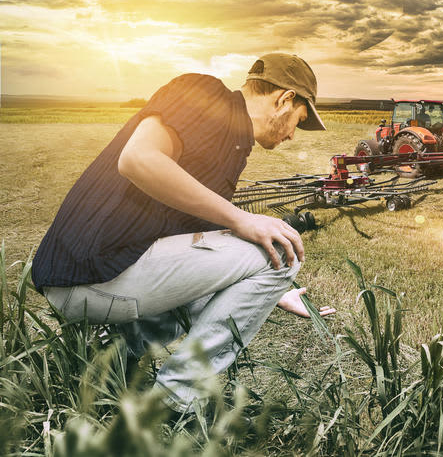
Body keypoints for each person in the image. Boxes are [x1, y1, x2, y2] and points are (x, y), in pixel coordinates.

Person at [32, 52, 334, 415]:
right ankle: (173, 404)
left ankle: (116, 357)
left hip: (94, 282)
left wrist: (273, 294)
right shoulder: (204, 92)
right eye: (297, 123)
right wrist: (241, 220)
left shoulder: (233, 148)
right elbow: (138, 159)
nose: (291, 136)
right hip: (91, 275)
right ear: (284, 99)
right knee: (282, 254)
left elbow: (206, 256)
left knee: (250, 271)